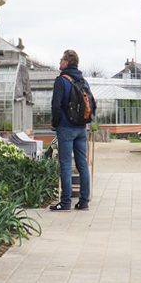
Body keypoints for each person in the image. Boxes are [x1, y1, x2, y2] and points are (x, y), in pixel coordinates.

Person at [50, 49, 91, 211]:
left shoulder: (61, 80)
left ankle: (66, 202)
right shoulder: (83, 81)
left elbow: (55, 105)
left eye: (61, 59)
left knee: (66, 164)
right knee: (82, 164)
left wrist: (55, 123)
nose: (59, 62)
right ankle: (84, 201)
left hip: (66, 128)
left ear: (67, 62)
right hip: (82, 128)